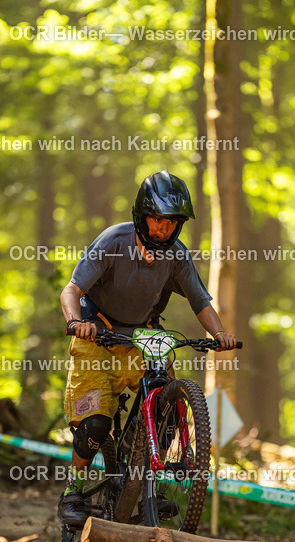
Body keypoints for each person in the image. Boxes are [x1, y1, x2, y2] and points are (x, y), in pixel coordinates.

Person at [57, 169, 237, 524]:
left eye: (172, 223)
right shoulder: (113, 241)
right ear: (142, 216)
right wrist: (76, 323)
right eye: (157, 220)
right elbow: (71, 290)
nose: (163, 230)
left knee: (167, 408)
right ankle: (72, 491)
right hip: (98, 335)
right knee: (94, 426)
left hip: (144, 337)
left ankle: (142, 489)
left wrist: (220, 334)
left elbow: (200, 302)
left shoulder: (176, 255)